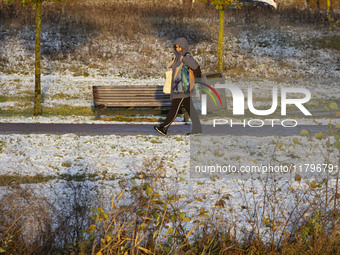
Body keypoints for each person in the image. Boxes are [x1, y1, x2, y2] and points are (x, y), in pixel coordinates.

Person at [154, 37, 202, 135]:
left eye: (179, 47)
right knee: (190, 109)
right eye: (176, 47)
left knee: (174, 108)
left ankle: (164, 127)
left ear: (183, 47)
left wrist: (197, 80)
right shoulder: (177, 57)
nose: (177, 49)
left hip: (183, 88)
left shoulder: (186, 57)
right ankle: (197, 129)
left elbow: (196, 66)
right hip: (179, 86)